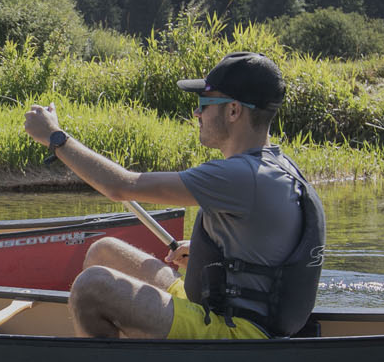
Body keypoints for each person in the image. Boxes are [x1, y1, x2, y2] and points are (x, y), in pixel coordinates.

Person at [22, 49, 325, 341]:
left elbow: (122, 186)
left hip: (232, 332)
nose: (197, 112)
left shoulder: (241, 175)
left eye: (204, 102)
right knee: (105, 251)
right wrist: (211, 255)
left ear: (233, 111)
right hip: (213, 309)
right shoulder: (273, 164)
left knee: (91, 286)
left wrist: (55, 138)